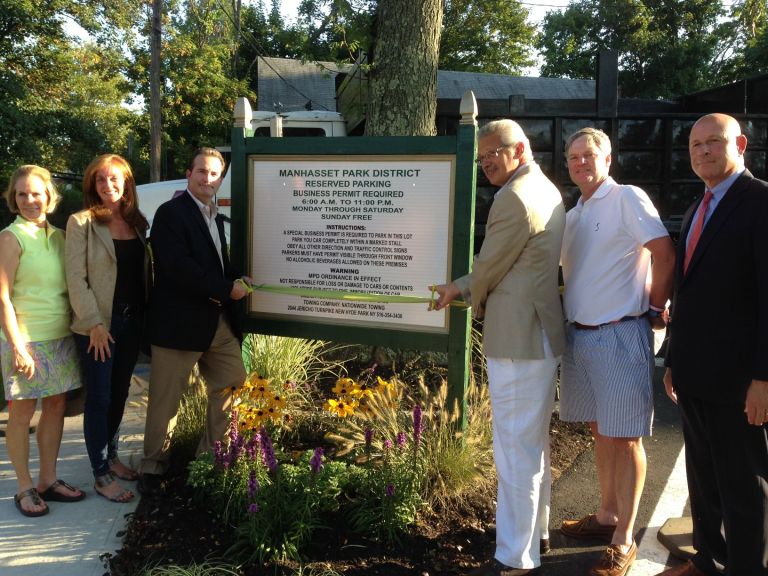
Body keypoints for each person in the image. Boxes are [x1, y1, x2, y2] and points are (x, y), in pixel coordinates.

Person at [431, 119, 565, 576]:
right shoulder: (545, 188)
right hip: (539, 335)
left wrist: (457, 288)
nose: (486, 161)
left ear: (520, 149)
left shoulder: (513, 197)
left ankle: (514, 555)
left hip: (517, 338)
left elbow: (488, 268)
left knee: (514, 448)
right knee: (533, 444)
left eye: (494, 153)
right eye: (481, 156)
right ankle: (536, 536)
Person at [558, 128, 675, 576]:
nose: (580, 163)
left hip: (620, 332)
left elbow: (663, 252)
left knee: (625, 437)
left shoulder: (627, 197)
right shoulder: (574, 214)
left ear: (608, 157)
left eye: (589, 154)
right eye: (573, 157)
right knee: (600, 429)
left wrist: (654, 307)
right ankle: (607, 515)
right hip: (580, 336)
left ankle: (624, 538)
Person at [656, 114, 768, 576]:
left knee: (743, 486)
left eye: (713, 142)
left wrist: (763, 378)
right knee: (702, 479)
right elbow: (687, 290)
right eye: (695, 144)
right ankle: (707, 560)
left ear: (739, 144)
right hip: (694, 373)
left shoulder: (760, 203)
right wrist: (672, 360)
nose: (702, 151)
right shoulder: (699, 204)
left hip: (740, 380)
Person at [138, 147, 250, 496]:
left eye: (214, 173)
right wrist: (225, 289)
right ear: (189, 174)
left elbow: (216, 263)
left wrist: (239, 278)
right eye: (201, 171)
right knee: (166, 401)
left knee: (232, 384)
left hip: (217, 324)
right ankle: (154, 466)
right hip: (178, 325)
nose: (208, 179)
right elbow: (178, 267)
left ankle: (212, 459)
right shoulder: (171, 213)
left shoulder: (215, 215)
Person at [0, 165, 85, 517]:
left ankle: (48, 479)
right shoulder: (10, 237)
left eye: (36, 193)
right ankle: (24, 487)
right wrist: (18, 346)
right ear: (13, 199)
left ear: (49, 197)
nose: (29, 200)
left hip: (60, 336)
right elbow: (2, 297)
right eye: (22, 194)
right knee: (21, 414)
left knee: (55, 409)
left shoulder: (61, 236)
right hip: (26, 339)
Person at [65, 154, 150, 503]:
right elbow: (76, 279)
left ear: (127, 183)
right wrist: (95, 325)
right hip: (98, 326)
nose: (108, 185)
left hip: (132, 323)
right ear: (92, 185)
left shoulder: (137, 223)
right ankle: (101, 474)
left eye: (115, 179)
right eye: (101, 179)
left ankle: (112, 458)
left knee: (119, 393)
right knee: (99, 399)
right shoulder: (81, 222)